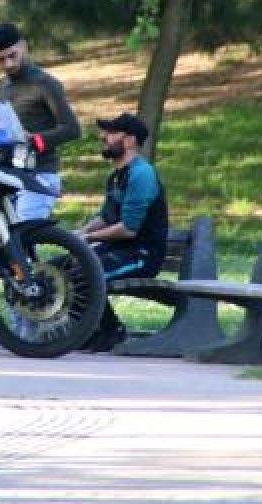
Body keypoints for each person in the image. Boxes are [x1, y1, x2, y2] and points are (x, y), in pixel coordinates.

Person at [79, 112, 169, 352]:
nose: (104, 137)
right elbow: (105, 218)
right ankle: (90, 331)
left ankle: (111, 331)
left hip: (141, 255)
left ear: (129, 141)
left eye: (111, 133)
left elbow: (128, 230)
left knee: (86, 274)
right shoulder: (117, 176)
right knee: (63, 266)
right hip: (117, 250)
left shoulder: (141, 174)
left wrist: (89, 238)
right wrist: (78, 236)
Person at [0, 22, 81, 221]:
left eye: (12, 56)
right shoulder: (2, 85)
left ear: (24, 46)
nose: (8, 65)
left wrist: (35, 141)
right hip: (11, 175)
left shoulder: (45, 84)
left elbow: (72, 129)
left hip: (40, 176)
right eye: (1, 59)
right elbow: (6, 126)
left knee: (24, 240)